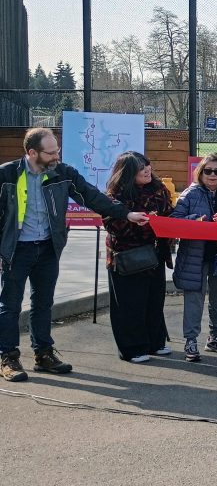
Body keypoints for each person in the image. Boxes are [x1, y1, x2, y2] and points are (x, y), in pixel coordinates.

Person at [0, 128, 149, 381]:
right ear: (32, 152)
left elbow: (92, 196)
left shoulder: (63, 173)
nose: (57, 156)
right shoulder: (6, 174)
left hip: (48, 248)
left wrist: (126, 214)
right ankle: (8, 357)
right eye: (51, 152)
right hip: (16, 250)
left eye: (58, 150)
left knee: (43, 303)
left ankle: (44, 354)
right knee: (10, 304)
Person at [170, 153, 217, 363]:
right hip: (195, 255)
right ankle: (191, 340)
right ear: (200, 172)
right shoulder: (190, 194)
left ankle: (215, 336)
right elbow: (175, 220)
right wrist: (196, 220)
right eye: (208, 171)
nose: (212, 175)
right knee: (194, 298)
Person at [103, 152, 174, 363]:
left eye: (148, 165)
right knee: (129, 304)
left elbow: (170, 214)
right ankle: (132, 348)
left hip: (155, 255)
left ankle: (155, 342)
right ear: (127, 173)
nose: (147, 170)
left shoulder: (159, 189)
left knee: (154, 300)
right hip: (128, 257)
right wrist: (138, 222)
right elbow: (113, 225)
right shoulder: (114, 197)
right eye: (141, 167)